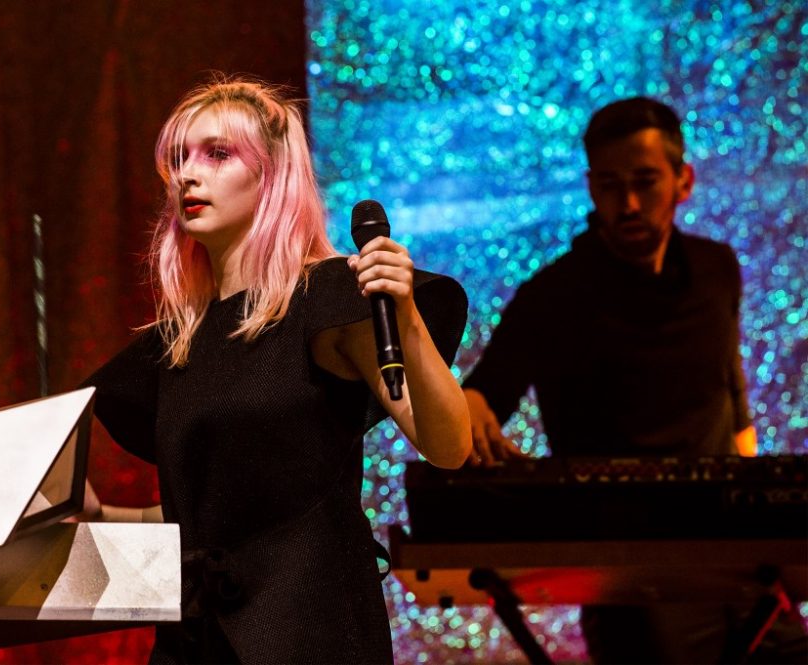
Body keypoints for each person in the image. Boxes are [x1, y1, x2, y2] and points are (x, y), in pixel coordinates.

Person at [81, 77, 471, 664]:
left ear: (271, 173)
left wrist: (407, 316)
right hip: (200, 637)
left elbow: (448, 445)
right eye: (179, 158)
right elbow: (217, 510)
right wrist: (95, 517)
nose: (189, 174)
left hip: (308, 628)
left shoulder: (324, 299)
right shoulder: (176, 344)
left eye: (217, 154)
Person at [462, 97, 805, 663]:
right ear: (591, 187)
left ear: (683, 180)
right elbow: (485, 393)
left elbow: (731, 393)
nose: (627, 204)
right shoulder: (552, 297)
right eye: (609, 185)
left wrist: (760, 505)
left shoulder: (718, 269)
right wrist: (468, 410)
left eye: (645, 182)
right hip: (632, 582)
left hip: (737, 565)